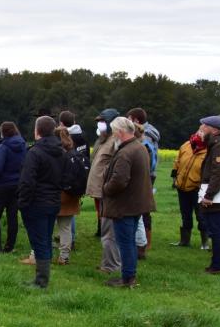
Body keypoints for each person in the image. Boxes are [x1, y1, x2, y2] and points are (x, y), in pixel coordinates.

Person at [100, 117, 156, 287]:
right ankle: (129, 275)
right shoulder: (139, 147)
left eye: (114, 131)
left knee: (125, 243)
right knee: (129, 242)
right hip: (136, 203)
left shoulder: (125, 153)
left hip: (124, 205)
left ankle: (127, 278)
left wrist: (105, 188)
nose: (113, 134)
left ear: (120, 132)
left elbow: (119, 181)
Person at [18, 116, 64, 288]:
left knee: (39, 241)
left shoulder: (35, 152)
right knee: (45, 238)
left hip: (36, 203)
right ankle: (42, 277)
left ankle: (41, 280)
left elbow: (27, 181)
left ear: (37, 131)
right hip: (53, 201)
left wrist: (22, 202)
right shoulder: (61, 151)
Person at [86, 108, 121, 274]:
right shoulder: (103, 139)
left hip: (106, 189)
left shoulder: (115, 141)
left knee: (110, 230)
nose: (99, 125)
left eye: (102, 121)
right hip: (99, 189)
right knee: (105, 226)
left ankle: (111, 265)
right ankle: (109, 261)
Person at [0, 121, 26, 253]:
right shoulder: (22, 145)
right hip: (17, 184)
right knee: (12, 216)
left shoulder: (3, 147)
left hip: (1, 185)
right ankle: (10, 246)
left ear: (2, 132)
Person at [127, 108, 160, 254]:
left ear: (136, 120)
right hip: (149, 175)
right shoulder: (151, 132)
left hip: (143, 175)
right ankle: (143, 242)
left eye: (129, 118)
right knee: (142, 209)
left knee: (142, 209)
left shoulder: (144, 136)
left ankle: (144, 244)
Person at [171, 128, 209, 248]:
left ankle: (205, 244)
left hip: (199, 188)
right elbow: (177, 162)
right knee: (185, 214)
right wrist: (174, 178)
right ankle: (184, 241)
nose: (200, 133)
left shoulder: (211, 149)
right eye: (199, 131)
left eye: (203, 132)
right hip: (182, 186)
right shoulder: (186, 145)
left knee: (201, 216)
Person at [55, 126, 81, 265]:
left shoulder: (57, 153)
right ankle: (64, 256)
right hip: (72, 195)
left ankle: (40, 254)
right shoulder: (73, 152)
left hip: (58, 194)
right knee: (66, 228)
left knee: (46, 225)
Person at [198, 115, 220, 274]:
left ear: (214, 130)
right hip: (214, 193)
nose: (201, 130)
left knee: (216, 230)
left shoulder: (218, 146)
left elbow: (217, 173)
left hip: (216, 196)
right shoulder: (213, 145)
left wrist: (209, 195)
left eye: (204, 127)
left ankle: (217, 265)